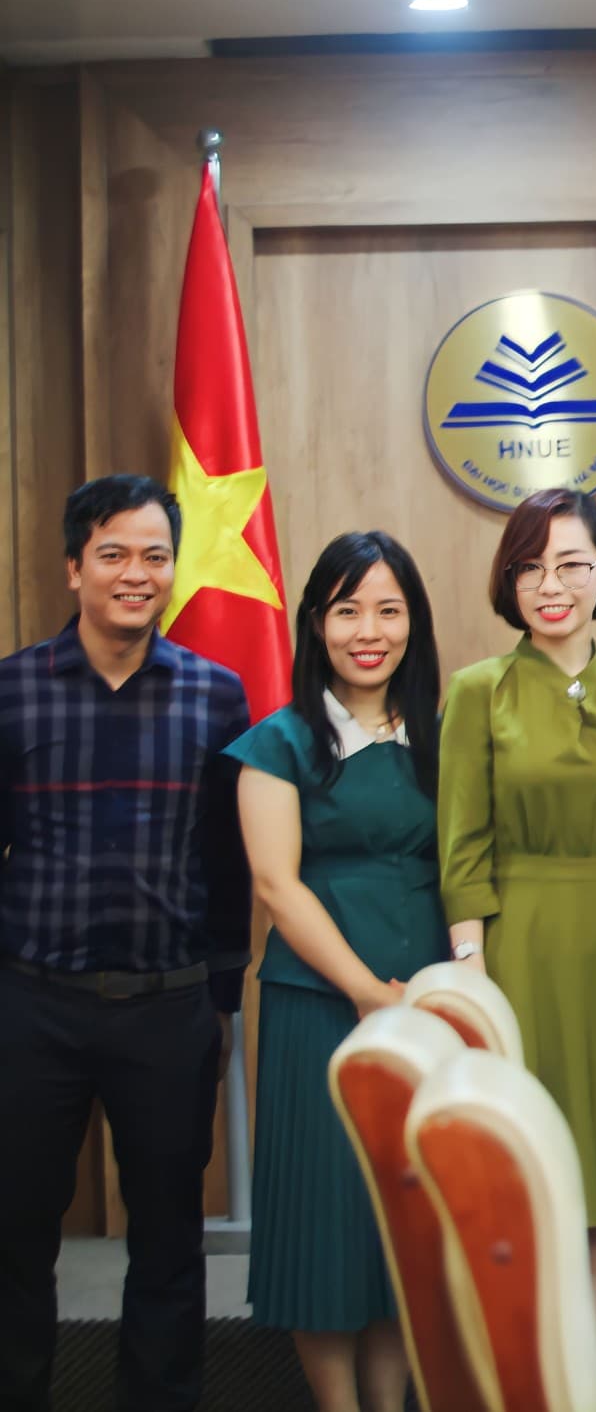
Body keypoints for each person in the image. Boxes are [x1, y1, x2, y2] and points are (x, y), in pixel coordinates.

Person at [0, 475, 252, 1412]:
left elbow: (227, 862)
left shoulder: (216, 695)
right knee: (15, 1239)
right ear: (74, 568)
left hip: (167, 1009)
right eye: (113, 554)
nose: (135, 573)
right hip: (33, 1007)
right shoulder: (13, 691)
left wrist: (219, 998)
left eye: (155, 555)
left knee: (169, 1244)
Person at [438, 487, 596, 1379]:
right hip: (517, 952)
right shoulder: (479, 690)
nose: (552, 585)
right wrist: (472, 964)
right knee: (524, 1191)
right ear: (509, 583)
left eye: (573, 564)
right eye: (531, 567)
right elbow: (461, 843)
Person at [227, 532, 449, 1412]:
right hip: (320, 1005)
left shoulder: (443, 736)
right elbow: (276, 886)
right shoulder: (277, 743)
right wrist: (364, 991)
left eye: (389, 610)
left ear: (413, 623)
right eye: (348, 610)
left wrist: (425, 995)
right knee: (324, 1213)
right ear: (316, 623)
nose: (370, 631)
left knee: (403, 1215)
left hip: (429, 1004)